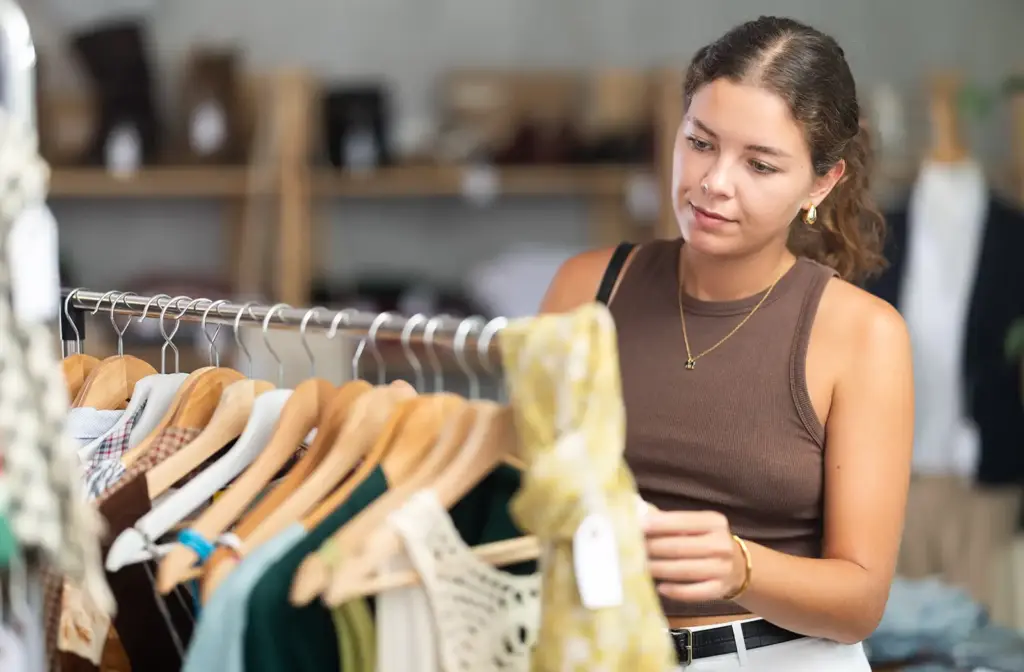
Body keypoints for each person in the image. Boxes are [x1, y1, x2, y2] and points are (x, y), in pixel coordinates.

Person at [540, 16, 913, 671]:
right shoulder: (585, 287)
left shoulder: (863, 335)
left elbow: (860, 601)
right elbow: (526, 492)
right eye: (700, 142)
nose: (715, 182)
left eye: (760, 164)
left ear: (820, 184)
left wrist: (742, 566)